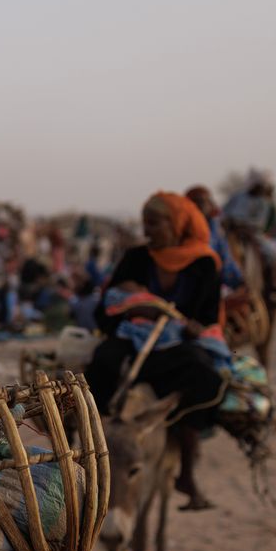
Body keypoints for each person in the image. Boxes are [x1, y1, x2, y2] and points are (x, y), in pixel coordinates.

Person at [85, 192, 226, 510]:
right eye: (144, 222)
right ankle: (95, 448)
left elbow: (207, 318)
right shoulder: (136, 257)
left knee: (204, 372)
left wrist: (191, 326)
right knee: (104, 360)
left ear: (176, 224)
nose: (147, 230)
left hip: (176, 346)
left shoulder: (204, 264)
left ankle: (186, 468)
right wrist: (134, 309)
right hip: (134, 342)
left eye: (154, 223)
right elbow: (104, 311)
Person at [185, 185, 243, 288]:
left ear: (209, 205)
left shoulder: (215, 230)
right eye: (194, 202)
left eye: (202, 202)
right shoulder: (180, 228)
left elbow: (225, 260)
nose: (198, 206)